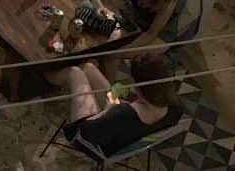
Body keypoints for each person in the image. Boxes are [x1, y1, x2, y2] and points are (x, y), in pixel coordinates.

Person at [45, 55, 180, 158]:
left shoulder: (123, 113)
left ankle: (42, 73)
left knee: (74, 72)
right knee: (88, 68)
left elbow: (86, 130)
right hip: (121, 131)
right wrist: (119, 104)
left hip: (90, 140)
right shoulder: (175, 107)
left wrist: (108, 109)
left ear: (139, 87)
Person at [85, 0, 181, 79]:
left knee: (112, 54)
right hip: (135, 21)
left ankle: (108, 93)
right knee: (102, 43)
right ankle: (97, 79)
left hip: (159, 35)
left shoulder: (167, 3)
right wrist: (100, 6)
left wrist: (124, 48)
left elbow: (151, 34)